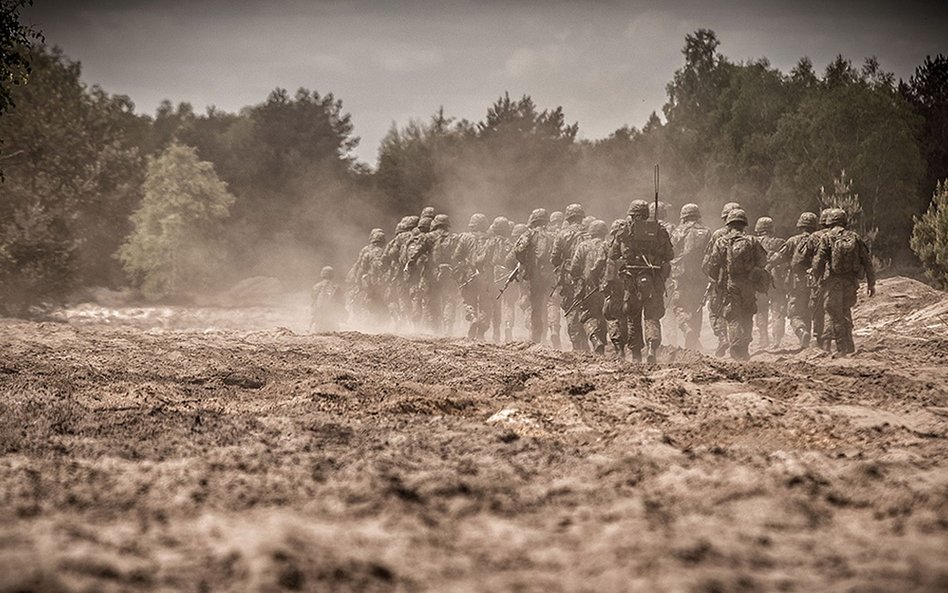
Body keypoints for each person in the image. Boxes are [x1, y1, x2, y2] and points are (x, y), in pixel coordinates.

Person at [606, 199, 674, 363]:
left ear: (632, 214)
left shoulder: (624, 231)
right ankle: (652, 349)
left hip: (631, 281)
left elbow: (613, 255)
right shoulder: (659, 230)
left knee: (633, 318)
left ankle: (636, 355)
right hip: (652, 280)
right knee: (652, 316)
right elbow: (669, 255)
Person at [702, 209, 769, 361]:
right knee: (747, 314)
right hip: (748, 284)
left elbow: (711, 265)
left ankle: (735, 347)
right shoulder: (752, 241)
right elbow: (763, 261)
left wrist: (717, 280)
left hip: (730, 284)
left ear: (728, 224)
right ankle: (744, 348)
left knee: (732, 316)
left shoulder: (721, 241)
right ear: (744, 224)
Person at [811, 208, 875, 356]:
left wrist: (816, 278)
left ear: (829, 222)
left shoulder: (827, 237)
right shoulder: (855, 237)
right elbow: (867, 261)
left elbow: (818, 261)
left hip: (833, 282)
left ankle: (841, 349)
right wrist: (871, 283)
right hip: (850, 283)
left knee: (835, 314)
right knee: (845, 311)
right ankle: (850, 346)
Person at [769, 212, 818, 348]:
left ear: (800, 225)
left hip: (797, 283)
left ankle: (802, 332)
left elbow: (777, 258)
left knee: (795, 313)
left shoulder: (792, 241)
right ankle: (807, 339)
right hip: (816, 282)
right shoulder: (819, 239)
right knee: (809, 311)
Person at [669, 203, 710, 350]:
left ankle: (686, 329)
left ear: (683, 216)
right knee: (696, 307)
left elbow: (670, 253)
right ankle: (694, 339)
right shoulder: (706, 232)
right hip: (700, 275)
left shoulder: (677, 232)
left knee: (678, 305)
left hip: (681, 275)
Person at [551, 203, 590, 351]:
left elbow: (554, 258)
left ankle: (577, 344)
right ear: (581, 217)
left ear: (568, 218)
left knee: (571, 309)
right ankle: (587, 341)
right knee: (587, 308)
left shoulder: (562, 234)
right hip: (587, 277)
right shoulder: (589, 232)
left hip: (568, 277)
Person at [705, 202, 742, 356]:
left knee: (715, 310)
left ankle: (722, 338)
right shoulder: (745, 236)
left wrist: (711, 277)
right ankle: (738, 344)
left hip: (720, 281)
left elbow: (708, 261)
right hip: (740, 282)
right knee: (736, 313)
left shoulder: (718, 235)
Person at [792, 209, 832, 349]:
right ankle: (824, 340)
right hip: (833, 280)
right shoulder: (836, 237)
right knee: (826, 309)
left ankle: (805, 333)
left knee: (797, 311)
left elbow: (796, 262)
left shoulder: (800, 240)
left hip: (808, 281)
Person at [514, 208, 555, 344]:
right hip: (550, 276)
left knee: (535, 307)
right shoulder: (553, 235)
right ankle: (553, 332)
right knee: (551, 304)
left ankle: (536, 338)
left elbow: (518, 250)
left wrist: (526, 263)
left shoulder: (528, 235)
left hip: (535, 276)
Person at [569, 219, 609, 354]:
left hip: (588, 287)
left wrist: (577, 281)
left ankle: (596, 340)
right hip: (606, 287)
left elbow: (575, 267)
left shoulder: (583, 246)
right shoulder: (608, 245)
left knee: (587, 316)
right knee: (603, 315)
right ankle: (602, 343)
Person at [454, 213, 492, 339]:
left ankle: (472, 318)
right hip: (486, 276)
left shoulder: (465, 237)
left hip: (469, 275)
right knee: (486, 303)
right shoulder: (491, 238)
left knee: (468, 300)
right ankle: (481, 331)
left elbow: (457, 255)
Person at [754, 216, 787, 349]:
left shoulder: (752, 241)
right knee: (777, 310)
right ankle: (777, 340)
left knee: (761, 310)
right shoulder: (780, 243)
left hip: (759, 282)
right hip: (777, 282)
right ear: (772, 229)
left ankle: (763, 338)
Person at [346, 228, 388, 326]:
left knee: (368, 300)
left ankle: (368, 321)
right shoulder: (386, 252)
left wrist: (358, 280)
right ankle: (382, 322)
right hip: (384, 282)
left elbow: (360, 267)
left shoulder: (367, 252)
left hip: (370, 282)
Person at [603, 219, 629, 359]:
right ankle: (629, 346)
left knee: (611, 314)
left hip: (613, 285)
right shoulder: (632, 244)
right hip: (630, 284)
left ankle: (619, 347)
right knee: (627, 315)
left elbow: (600, 265)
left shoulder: (607, 246)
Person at [486, 216, 513, 342]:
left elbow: (483, 259)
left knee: (495, 305)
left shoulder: (490, 242)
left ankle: (496, 331)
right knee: (509, 304)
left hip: (493, 276)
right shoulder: (510, 243)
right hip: (507, 276)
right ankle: (508, 329)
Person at [310, 266, 345, 332]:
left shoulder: (316, 287)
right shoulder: (336, 288)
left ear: (322, 274)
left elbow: (313, 299)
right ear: (332, 275)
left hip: (319, 317)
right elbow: (342, 301)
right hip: (332, 318)